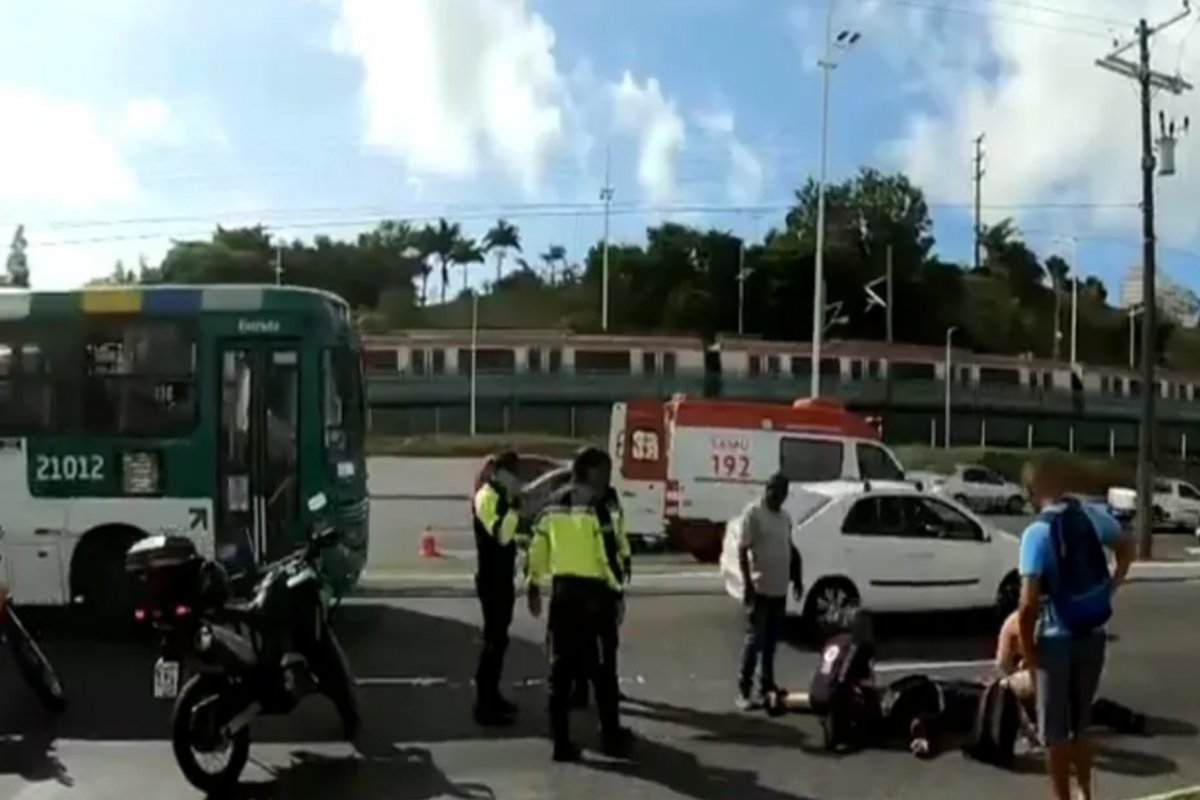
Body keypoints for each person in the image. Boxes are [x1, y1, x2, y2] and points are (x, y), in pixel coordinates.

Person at [1016, 459, 1135, 800]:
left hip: (1055, 640)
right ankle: (1085, 792)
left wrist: (1029, 656)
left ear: (1033, 493)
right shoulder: (1092, 516)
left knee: (1054, 734)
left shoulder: (1036, 533)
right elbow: (1127, 548)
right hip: (1092, 634)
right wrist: (1111, 586)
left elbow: (1027, 605)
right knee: (1081, 726)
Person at [527, 447, 634, 762]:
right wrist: (618, 593)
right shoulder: (603, 507)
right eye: (606, 471)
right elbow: (611, 555)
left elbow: (538, 547)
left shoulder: (552, 506)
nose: (609, 477)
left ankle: (560, 742)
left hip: (562, 596)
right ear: (591, 472)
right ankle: (611, 737)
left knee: (559, 672)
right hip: (595, 599)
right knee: (603, 672)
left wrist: (534, 583)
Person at [471, 450, 525, 726]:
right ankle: (484, 703)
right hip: (492, 580)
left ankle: (493, 695)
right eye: (515, 473)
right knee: (493, 641)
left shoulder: (500, 496)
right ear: (501, 473)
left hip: (501, 578)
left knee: (499, 639)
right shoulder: (487, 497)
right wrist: (515, 507)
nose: (519, 479)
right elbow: (503, 535)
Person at [571, 483, 631, 710]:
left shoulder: (584, 515)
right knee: (604, 644)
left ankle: (583, 690)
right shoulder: (607, 516)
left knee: (588, 643)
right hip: (600, 588)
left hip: (589, 587)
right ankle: (601, 690)